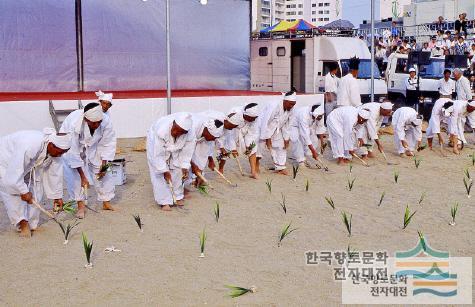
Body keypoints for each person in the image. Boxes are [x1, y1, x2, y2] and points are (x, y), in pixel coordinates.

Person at [0, 128, 71, 237]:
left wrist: (57, 197)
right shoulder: (30, 145)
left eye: (64, 153)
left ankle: (32, 223)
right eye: (60, 152)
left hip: (26, 165)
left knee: (36, 188)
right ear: (51, 145)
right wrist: (23, 191)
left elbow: (54, 175)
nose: (61, 155)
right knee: (12, 192)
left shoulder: (56, 151)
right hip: (5, 161)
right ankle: (22, 224)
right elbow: (14, 174)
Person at [60, 102, 117, 219]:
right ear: (86, 119)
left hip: (93, 146)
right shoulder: (73, 124)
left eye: (99, 122)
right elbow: (73, 153)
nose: (97, 125)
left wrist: (104, 166)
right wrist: (83, 177)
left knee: (102, 172)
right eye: (94, 123)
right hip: (71, 147)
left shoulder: (105, 121)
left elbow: (108, 144)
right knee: (75, 176)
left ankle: (106, 201)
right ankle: (80, 205)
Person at [146, 112, 194, 211]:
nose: (176, 132)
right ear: (173, 123)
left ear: (185, 132)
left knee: (178, 167)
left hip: (175, 147)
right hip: (156, 145)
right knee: (158, 171)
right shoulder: (161, 130)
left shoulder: (190, 134)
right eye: (175, 129)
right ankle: (164, 201)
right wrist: (164, 171)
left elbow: (187, 151)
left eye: (180, 132)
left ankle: (177, 195)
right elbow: (158, 156)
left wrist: (185, 165)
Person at [257, 90, 297, 175]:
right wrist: (267, 138)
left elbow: (288, 125)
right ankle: (256, 164)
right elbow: (266, 122)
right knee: (260, 148)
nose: (292, 106)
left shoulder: (291, 109)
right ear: (285, 101)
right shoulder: (274, 106)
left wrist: (286, 138)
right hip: (262, 127)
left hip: (277, 128)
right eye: (290, 104)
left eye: (294, 104)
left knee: (281, 146)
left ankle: (280, 167)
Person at [216, 103, 260, 179]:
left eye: (255, 118)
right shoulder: (234, 112)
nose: (254, 120)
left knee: (253, 148)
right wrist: (233, 148)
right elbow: (229, 131)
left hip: (245, 132)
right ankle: (221, 169)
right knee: (225, 150)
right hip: (232, 131)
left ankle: (253, 171)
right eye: (252, 118)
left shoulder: (254, 118)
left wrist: (248, 146)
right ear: (246, 115)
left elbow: (253, 134)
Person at [190, 112, 224, 186]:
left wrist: (210, 160)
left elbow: (204, 154)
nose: (213, 140)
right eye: (213, 137)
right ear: (207, 131)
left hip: (198, 137)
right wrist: (193, 165)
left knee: (201, 155)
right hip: (181, 140)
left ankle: (196, 178)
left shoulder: (210, 136)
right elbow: (184, 153)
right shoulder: (192, 127)